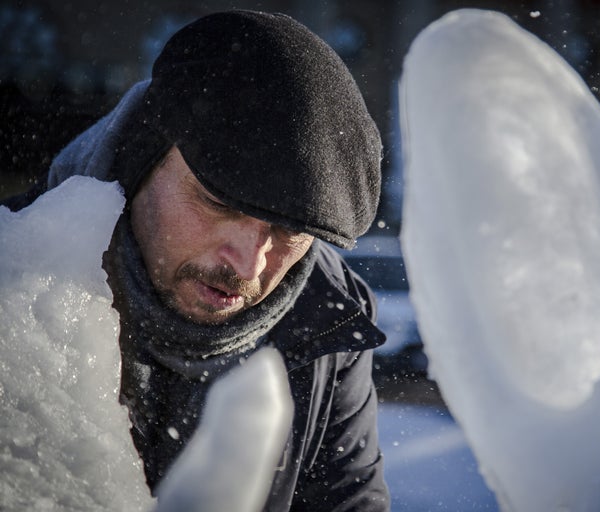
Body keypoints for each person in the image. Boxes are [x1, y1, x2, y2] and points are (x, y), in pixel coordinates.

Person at [3, 10, 390, 511]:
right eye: (218, 203)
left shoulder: (328, 317)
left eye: (290, 229)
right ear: (144, 156)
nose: (249, 267)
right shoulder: (10, 274)